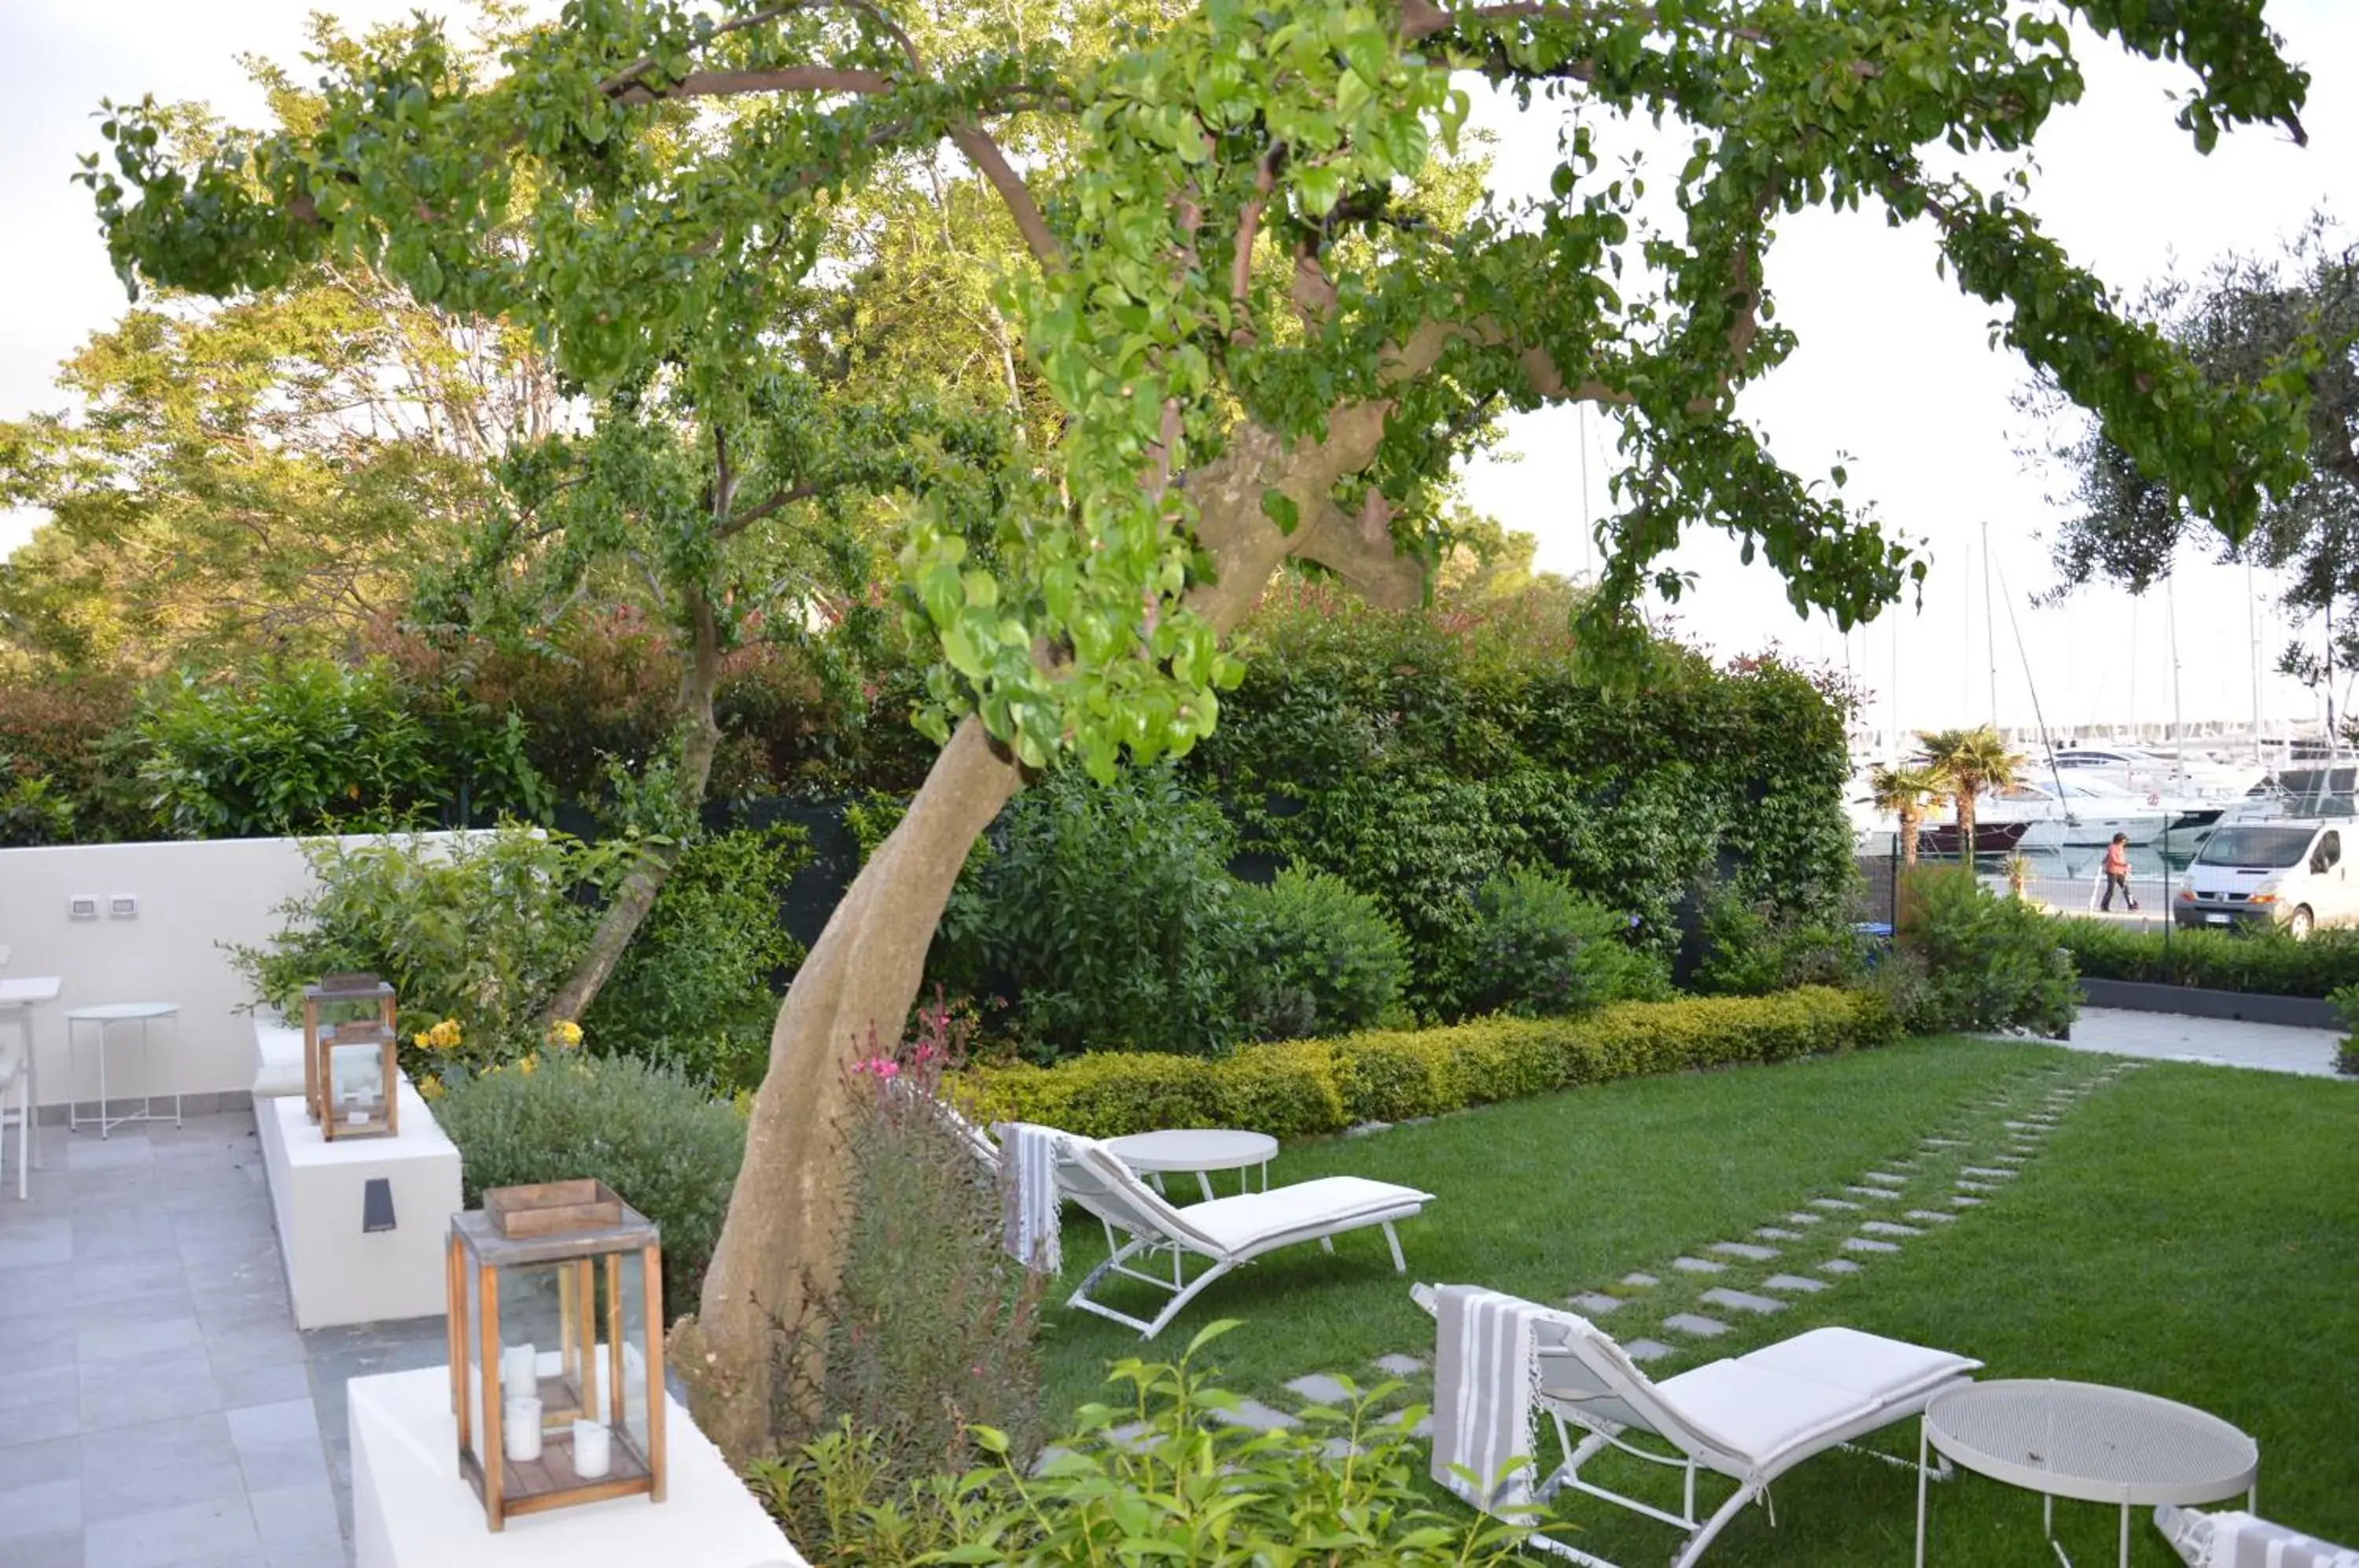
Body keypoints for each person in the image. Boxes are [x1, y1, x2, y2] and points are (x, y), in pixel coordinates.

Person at [2100, 832, 2137, 911]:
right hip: (2112, 871)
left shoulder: (2121, 847)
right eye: (2124, 841)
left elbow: (2121, 859)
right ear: (2119, 840)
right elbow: (2114, 859)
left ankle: (2132, 905)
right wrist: (2124, 864)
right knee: (2111, 890)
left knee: (2125, 889)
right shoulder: (2112, 847)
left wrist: (2125, 869)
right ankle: (2104, 906)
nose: (2125, 842)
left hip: (2121, 872)